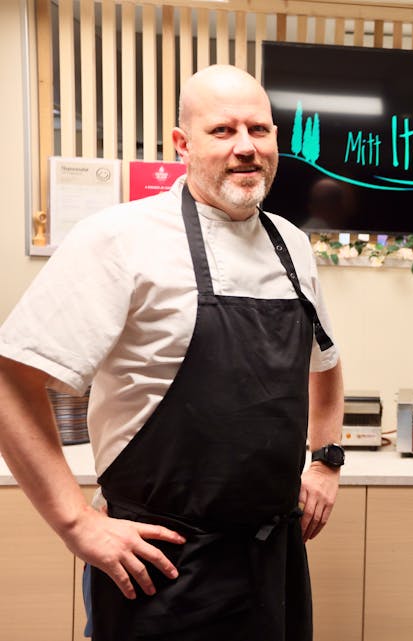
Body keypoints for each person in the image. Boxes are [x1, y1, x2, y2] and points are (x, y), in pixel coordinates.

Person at [0, 64, 344, 640]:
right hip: (159, 567)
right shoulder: (119, 238)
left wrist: (327, 461)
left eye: (259, 130)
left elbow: (325, 366)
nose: (245, 148)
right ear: (182, 144)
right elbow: (12, 379)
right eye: (222, 131)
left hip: (273, 559)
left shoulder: (293, 244)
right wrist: (76, 522)